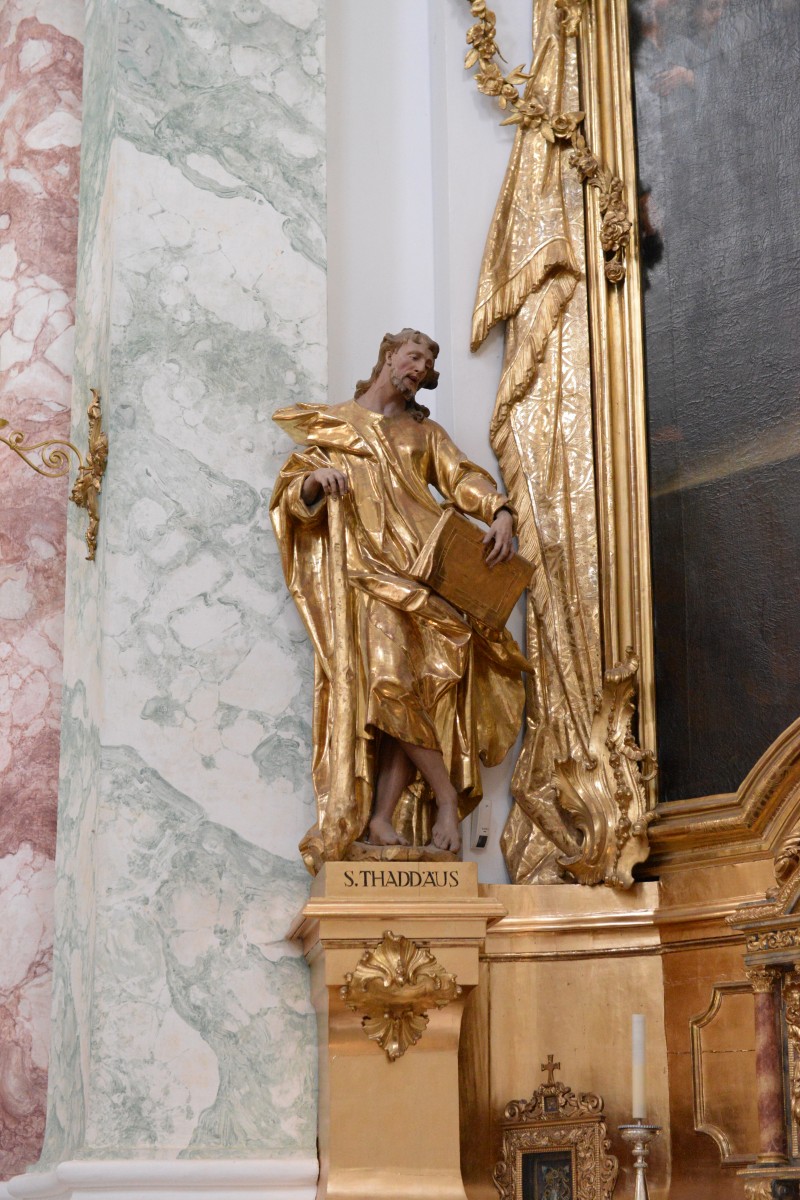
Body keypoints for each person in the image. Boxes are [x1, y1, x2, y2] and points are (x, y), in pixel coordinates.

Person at [270, 329, 526, 873]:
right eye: (414, 357)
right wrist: (316, 479)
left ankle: (384, 816)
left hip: (426, 576)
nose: (420, 368)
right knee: (387, 683)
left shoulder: (423, 432)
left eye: (428, 364)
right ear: (389, 358)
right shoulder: (335, 425)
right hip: (366, 575)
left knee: (421, 690)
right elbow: (292, 495)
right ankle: (448, 800)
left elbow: (462, 480)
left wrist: (500, 510)